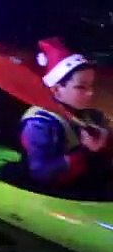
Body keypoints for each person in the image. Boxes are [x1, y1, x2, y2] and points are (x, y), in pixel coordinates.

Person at [19, 38, 112, 199]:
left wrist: (106, 143)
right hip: (58, 194)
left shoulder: (91, 115)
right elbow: (42, 174)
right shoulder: (39, 123)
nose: (90, 93)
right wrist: (86, 152)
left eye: (91, 86)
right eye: (81, 87)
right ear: (56, 89)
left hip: (87, 185)